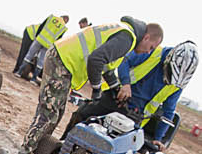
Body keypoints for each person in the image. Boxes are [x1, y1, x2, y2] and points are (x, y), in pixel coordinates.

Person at [17, 18, 164, 154]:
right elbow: (96, 59)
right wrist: (96, 89)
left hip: (63, 59)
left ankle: (35, 153)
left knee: (56, 113)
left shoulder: (125, 33)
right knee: (49, 113)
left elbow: (106, 66)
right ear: (146, 37)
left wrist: (115, 87)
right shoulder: (127, 39)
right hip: (62, 60)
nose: (148, 52)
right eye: (151, 47)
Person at [61, 41, 199, 146]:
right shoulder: (152, 52)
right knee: (82, 115)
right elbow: (125, 62)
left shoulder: (177, 84)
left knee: (122, 149)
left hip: (136, 116)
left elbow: (168, 112)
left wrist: (158, 139)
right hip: (116, 97)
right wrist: (126, 84)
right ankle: (62, 145)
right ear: (169, 59)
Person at [16, 15, 69, 81]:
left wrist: (36, 37)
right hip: (47, 45)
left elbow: (41, 27)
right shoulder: (64, 27)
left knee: (29, 55)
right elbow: (58, 39)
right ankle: (33, 79)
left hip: (39, 39)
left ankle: (19, 72)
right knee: (41, 62)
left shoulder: (52, 17)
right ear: (66, 20)